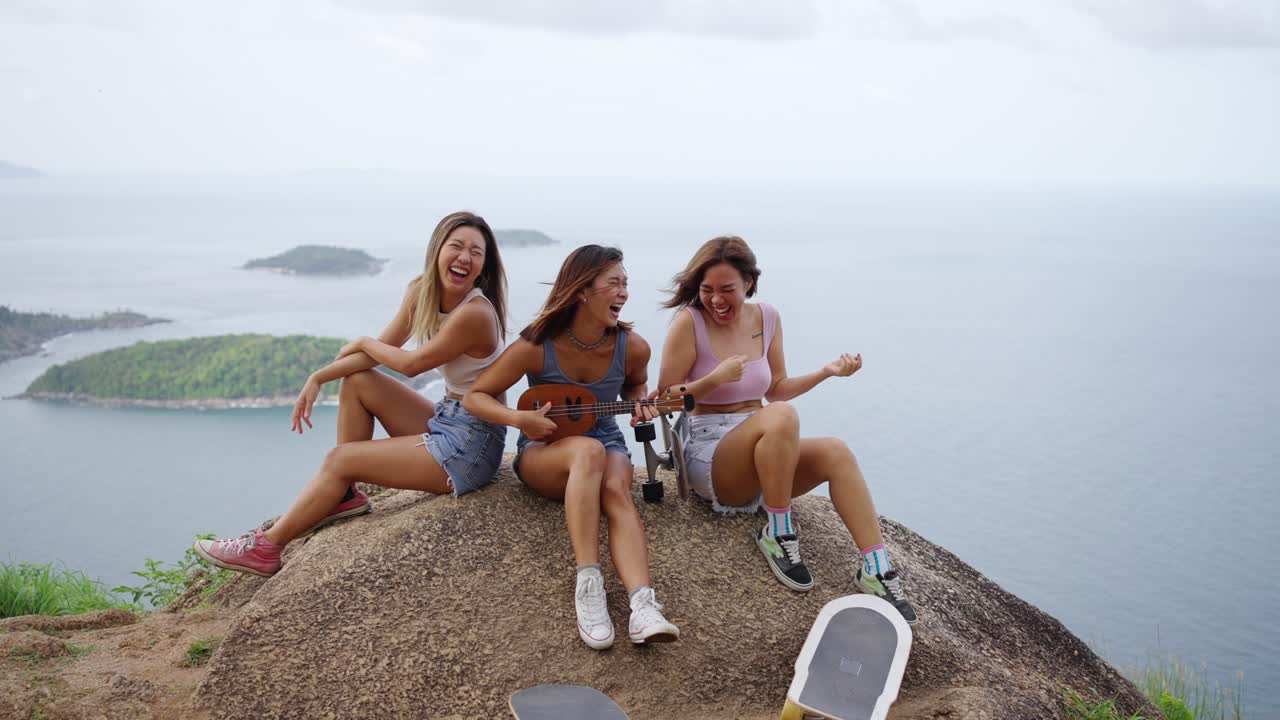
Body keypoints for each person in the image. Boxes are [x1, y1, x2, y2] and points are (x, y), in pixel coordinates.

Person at [193, 211, 509, 576]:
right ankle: (343, 496)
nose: (465, 258)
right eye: (456, 246)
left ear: (483, 265)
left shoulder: (475, 314)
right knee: (358, 382)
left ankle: (266, 548)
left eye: (476, 252)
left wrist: (362, 340)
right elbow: (377, 354)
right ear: (437, 249)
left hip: (472, 445)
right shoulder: (421, 291)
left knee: (339, 459)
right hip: (447, 418)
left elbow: (410, 365)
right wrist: (319, 377)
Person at [653, 235, 916, 623]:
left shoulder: (768, 317)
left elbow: (776, 389)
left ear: (749, 283)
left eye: (727, 289)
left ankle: (876, 569)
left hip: (765, 449)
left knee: (835, 451)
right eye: (707, 290)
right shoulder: (688, 323)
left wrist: (827, 372)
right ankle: (778, 532)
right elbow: (664, 401)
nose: (716, 300)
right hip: (713, 455)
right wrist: (713, 379)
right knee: (783, 416)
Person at [465, 245, 680, 649]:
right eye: (614, 283)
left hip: (605, 436)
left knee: (616, 488)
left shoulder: (632, 347)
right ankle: (589, 584)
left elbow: (635, 386)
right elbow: (476, 396)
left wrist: (640, 406)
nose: (624, 293)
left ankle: (643, 606)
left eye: (626, 283)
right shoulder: (536, 345)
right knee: (586, 452)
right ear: (582, 290)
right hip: (547, 453)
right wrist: (519, 419)